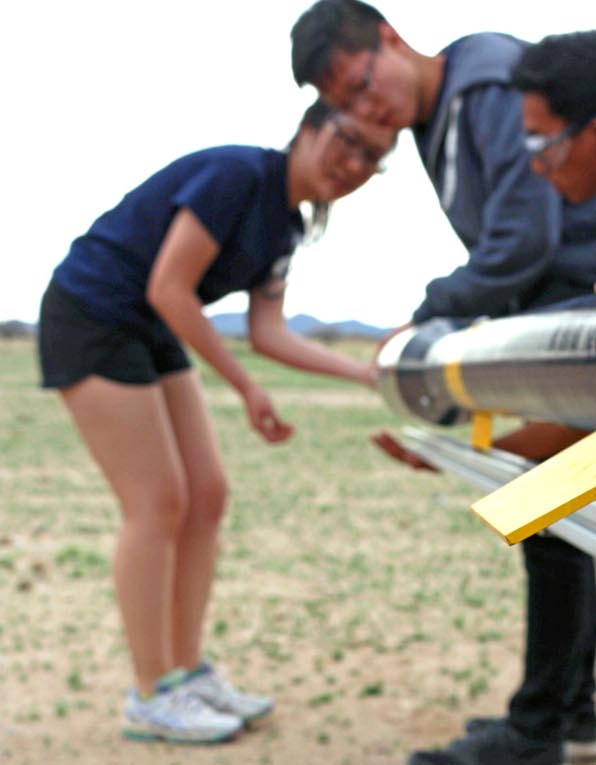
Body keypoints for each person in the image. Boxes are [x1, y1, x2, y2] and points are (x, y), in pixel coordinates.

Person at [289, 4, 596, 764]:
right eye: (344, 105)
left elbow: (522, 238)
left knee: (545, 511)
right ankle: (569, 713)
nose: (366, 111)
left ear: (393, 40)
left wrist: (428, 312)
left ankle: (539, 729)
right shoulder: (444, 114)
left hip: (580, 308)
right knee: (557, 523)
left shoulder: (487, 85)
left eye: (362, 84)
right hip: (554, 313)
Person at [36, 99, 393, 744]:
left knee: (208, 494)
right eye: (348, 142)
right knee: (158, 503)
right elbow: (170, 287)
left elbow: (269, 332)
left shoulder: (287, 228)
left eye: (373, 158)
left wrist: (369, 374)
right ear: (309, 129)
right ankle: (152, 693)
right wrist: (245, 388)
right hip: (93, 312)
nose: (355, 164)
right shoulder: (239, 177)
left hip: (147, 324)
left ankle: (186, 671)